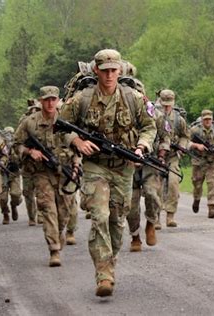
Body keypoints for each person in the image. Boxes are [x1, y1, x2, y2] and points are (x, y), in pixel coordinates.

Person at [59, 49, 156, 297]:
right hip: (95, 166)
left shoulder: (134, 98)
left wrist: (142, 146)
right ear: (96, 71)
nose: (110, 75)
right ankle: (103, 274)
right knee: (100, 215)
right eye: (105, 71)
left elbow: (149, 126)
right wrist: (77, 143)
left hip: (123, 167)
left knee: (116, 221)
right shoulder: (81, 99)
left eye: (114, 70)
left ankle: (109, 263)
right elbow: (59, 127)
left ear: (120, 70)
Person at [14, 86, 80, 266]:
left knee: (64, 213)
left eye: (53, 99)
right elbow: (16, 145)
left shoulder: (66, 120)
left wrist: (76, 166)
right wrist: (29, 152)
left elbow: (77, 147)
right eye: (46, 99)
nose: (50, 103)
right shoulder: (29, 122)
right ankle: (54, 250)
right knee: (48, 209)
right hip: (42, 172)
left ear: (58, 100)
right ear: (40, 101)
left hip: (65, 172)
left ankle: (58, 234)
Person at [127, 106, 170, 251]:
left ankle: (151, 223)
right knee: (131, 205)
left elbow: (165, 137)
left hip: (150, 163)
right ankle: (135, 236)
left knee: (152, 195)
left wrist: (161, 156)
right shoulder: (121, 112)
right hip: (128, 164)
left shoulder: (156, 115)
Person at [157, 89, 189, 228]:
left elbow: (185, 136)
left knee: (173, 184)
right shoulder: (154, 115)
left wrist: (181, 147)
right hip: (156, 156)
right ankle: (155, 217)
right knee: (156, 187)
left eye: (169, 104)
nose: (166, 107)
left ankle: (170, 215)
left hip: (172, 156)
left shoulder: (178, 119)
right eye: (164, 104)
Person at [189, 110, 214, 218]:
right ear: (202, 119)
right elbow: (186, 141)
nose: (207, 121)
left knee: (212, 183)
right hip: (198, 161)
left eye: (209, 119)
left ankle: (211, 208)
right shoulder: (195, 130)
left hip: (212, 161)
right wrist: (196, 145)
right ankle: (196, 199)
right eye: (205, 119)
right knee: (197, 185)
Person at [19, 100, 42, 226]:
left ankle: (42, 214)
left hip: (42, 166)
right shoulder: (24, 125)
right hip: (27, 165)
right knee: (28, 193)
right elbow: (17, 146)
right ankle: (32, 216)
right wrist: (28, 151)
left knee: (42, 192)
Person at [0, 126, 23, 224]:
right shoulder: (0, 145)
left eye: (11, 134)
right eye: (7, 134)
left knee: (16, 194)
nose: (9, 137)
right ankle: (5, 214)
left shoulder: (17, 144)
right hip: (2, 173)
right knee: (3, 198)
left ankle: (14, 205)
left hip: (14, 172)